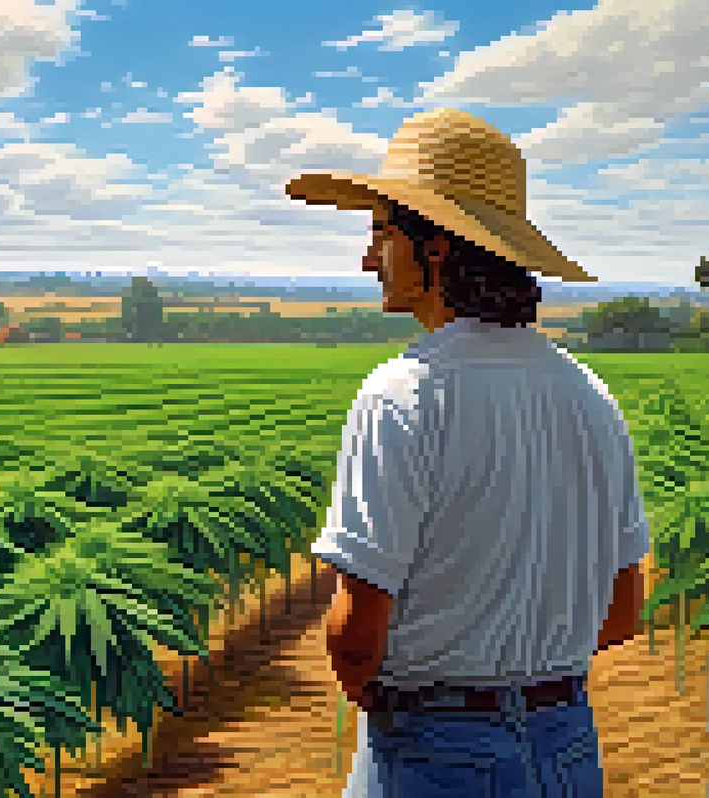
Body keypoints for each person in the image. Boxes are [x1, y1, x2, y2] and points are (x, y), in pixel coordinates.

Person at [285, 107, 651, 798]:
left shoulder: (404, 393)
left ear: (436, 248)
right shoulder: (591, 396)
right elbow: (624, 610)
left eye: (380, 233)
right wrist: (528, 679)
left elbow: (356, 635)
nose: (368, 258)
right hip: (568, 745)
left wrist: (428, 708)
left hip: (435, 749)